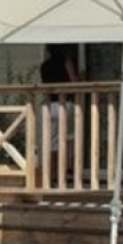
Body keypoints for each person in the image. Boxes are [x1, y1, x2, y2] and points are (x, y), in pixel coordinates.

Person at [39, 44, 82, 181]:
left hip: (49, 107)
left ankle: (50, 175)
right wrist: (81, 77)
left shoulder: (44, 66)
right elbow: (74, 83)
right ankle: (64, 173)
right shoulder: (66, 62)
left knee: (52, 143)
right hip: (65, 105)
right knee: (67, 139)